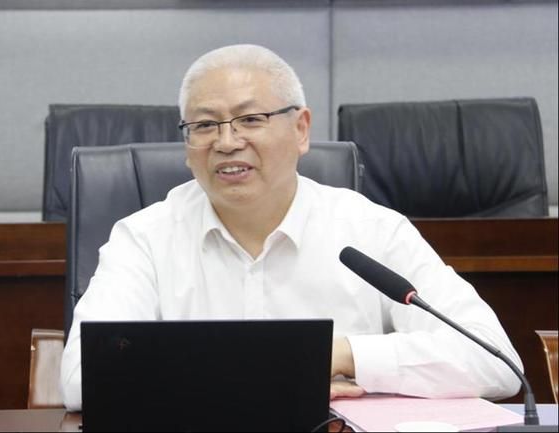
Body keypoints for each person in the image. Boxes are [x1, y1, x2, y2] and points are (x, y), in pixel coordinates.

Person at [60, 44, 522, 411]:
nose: (226, 142)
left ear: (301, 129)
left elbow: (495, 362)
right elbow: (83, 379)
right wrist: (288, 366)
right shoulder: (144, 238)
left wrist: (342, 355)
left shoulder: (372, 231)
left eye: (250, 119)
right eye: (204, 125)